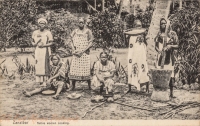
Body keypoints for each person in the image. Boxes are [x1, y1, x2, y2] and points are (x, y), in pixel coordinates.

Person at [154, 18, 178, 98]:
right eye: (161, 23)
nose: (163, 25)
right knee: (160, 74)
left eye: (164, 23)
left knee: (170, 74)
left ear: (168, 24)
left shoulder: (172, 34)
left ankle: (171, 93)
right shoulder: (159, 34)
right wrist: (159, 51)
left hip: (169, 58)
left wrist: (170, 46)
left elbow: (177, 45)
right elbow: (156, 46)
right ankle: (161, 92)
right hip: (161, 57)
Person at [68, 17, 94, 90]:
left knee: (86, 69)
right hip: (76, 53)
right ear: (77, 23)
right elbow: (70, 40)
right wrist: (73, 49)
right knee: (74, 68)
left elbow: (91, 43)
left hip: (85, 53)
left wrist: (83, 51)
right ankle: (72, 86)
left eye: (82, 22)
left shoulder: (88, 31)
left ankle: (89, 86)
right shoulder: (75, 31)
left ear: (84, 23)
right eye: (79, 22)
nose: (81, 24)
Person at [127, 20, 150, 93]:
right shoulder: (131, 35)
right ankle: (130, 88)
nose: (139, 27)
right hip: (133, 55)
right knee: (132, 68)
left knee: (144, 68)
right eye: (137, 26)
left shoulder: (143, 34)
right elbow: (129, 45)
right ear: (134, 26)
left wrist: (145, 36)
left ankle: (147, 88)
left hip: (141, 55)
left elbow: (146, 44)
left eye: (140, 26)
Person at [31, 18, 54, 84]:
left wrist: (44, 45)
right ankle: (39, 81)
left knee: (45, 65)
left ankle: (45, 81)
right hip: (38, 51)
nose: (42, 25)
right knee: (38, 64)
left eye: (43, 23)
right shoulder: (35, 32)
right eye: (41, 23)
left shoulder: (48, 32)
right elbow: (32, 42)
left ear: (45, 25)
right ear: (38, 24)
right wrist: (35, 44)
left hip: (45, 50)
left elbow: (51, 42)